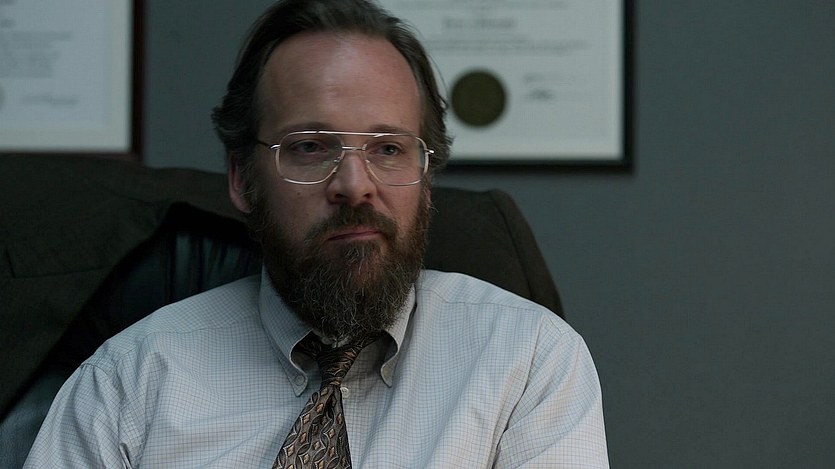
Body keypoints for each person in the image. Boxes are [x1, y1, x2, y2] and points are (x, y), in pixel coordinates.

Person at [24, 0, 609, 467]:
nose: (355, 186)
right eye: (309, 147)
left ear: (426, 177)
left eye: (388, 149)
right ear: (241, 179)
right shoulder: (127, 383)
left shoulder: (527, 362)